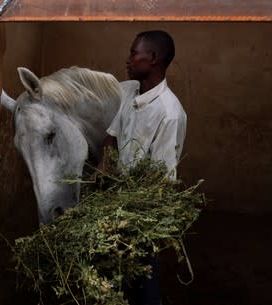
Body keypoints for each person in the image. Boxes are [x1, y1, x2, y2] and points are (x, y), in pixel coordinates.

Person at [102, 30, 187, 305]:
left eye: (133, 53)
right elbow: (111, 138)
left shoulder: (169, 113)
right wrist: (104, 174)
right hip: (117, 201)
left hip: (142, 210)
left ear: (153, 58)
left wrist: (131, 209)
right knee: (114, 274)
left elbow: (160, 179)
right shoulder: (129, 93)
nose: (128, 59)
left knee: (143, 276)